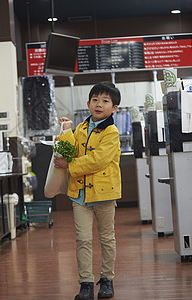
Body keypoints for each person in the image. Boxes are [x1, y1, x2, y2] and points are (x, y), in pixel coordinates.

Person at [54, 82, 121, 300]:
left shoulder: (112, 132)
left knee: (107, 239)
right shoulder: (81, 128)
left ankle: (107, 280)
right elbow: (70, 150)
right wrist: (66, 130)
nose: (99, 104)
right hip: (79, 194)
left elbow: (98, 160)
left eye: (105, 101)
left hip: (104, 193)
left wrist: (70, 166)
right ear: (88, 103)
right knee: (83, 239)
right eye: (95, 100)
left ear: (114, 108)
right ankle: (85, 284)